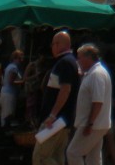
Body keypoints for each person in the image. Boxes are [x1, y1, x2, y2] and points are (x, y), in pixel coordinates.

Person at [33, 31, 80, 165]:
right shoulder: (71, 62)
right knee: (57, 157)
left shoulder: (65, 62)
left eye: (53, 44)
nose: (52, 47)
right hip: (63, 121)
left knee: (41, 157)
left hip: (55, 122)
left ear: (58, 45)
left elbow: (65, 90)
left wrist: (53, 115)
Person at [66, 43, 112, 165]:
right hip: (97, 124)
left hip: (93, 124)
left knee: (73, 153)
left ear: (88, 57)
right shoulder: (94, 73)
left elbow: (97, 102)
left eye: (79, 57)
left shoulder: (97, 74)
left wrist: (90, 124)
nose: (78, 60)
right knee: (94, 158)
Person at [0, 50, 25, 125]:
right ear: (15, 58)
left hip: (5, 92)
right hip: (9, 94)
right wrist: (22, 82)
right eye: (20, 58)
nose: (21, 60)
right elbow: (11, 81)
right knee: (8, 114)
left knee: (4, 114)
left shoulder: (9, 66)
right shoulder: (14, 68)